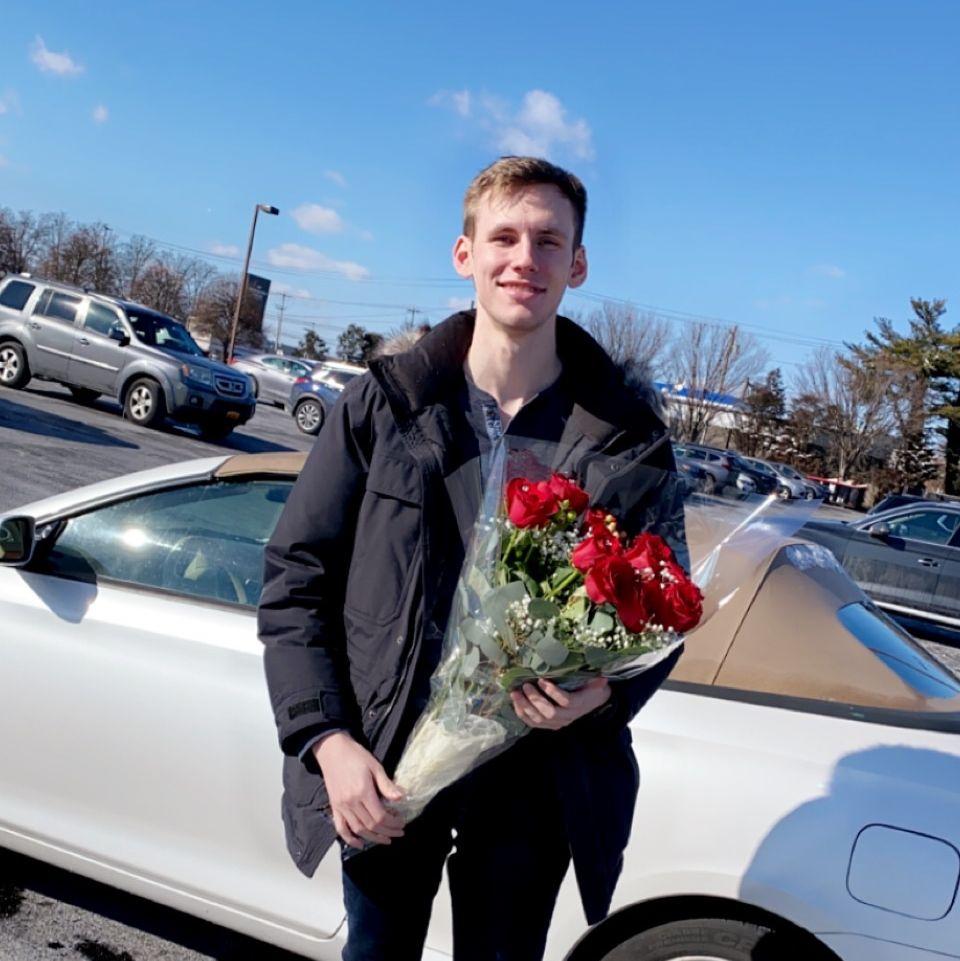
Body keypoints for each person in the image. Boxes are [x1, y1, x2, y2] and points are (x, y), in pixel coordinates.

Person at [257, 156, 687, 961]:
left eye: (549, 241)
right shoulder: (386, 404)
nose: (525, 258)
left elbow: (662, 612)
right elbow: (295, 578)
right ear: (467, 255)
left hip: (537, 781)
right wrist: (328, 742)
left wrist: (600, 691)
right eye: (505, 236)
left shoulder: (628, 436)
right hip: (389, 771)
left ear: (578, 263)